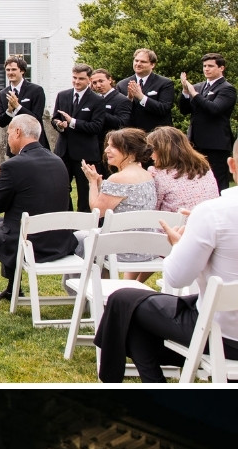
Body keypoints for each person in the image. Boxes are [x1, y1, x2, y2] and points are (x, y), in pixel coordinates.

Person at [94, 153, 238, 381]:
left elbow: (176, 278)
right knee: (132, 305)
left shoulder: (213, 213)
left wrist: (179, 245)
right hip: (219, 322)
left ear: (231, 164)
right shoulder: (211, 215)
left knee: (124, 302)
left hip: (222, 336)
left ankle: (145, 382)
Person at [0, 115, 76, 306]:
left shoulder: (13, 165)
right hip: (59, 241)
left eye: (8, 135)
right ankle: (13, 289)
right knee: (1, 223)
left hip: (30, 245)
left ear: (17, 132)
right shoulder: (57, 161)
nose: (8, 140)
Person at [79, 128, 158, 270]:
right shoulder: (146, 174)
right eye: (108, 145)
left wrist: (92, 182)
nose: (106, 150)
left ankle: (82, 288)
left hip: (121, 250)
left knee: (78, 239)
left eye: (113, 146)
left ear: (131, 151)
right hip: (147, 247)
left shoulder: (118, 179)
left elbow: (97, 211)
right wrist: (100, 184)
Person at [178, 53, 236, 194]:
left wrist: (195, 94)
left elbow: (214, 110)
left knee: (217, 181)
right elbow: (184, 110)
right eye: (204, 66)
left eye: (210, 66)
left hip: (215, 144)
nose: (206, 69)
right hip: (195, 142)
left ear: (221, 68)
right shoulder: (199, 86)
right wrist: (186, 92)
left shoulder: (227, 88)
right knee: (196, 179)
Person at [52, 64, 105, 212]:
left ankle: (84, 227)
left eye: (81, 79)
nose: (76, 81)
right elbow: (54, 118)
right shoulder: (62, 95)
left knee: (85, 192)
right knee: (61, 190)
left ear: (89, 80)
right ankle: (66, 222)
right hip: (63, 152)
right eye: (74, 78)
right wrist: (59, 125)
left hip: (85, 154)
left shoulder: (97, 100)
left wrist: (73, 122)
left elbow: (96, 127)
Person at [145, 126, 219, 213]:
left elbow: (152, 207)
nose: (150, 155)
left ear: (161, 151)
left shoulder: (159, 175)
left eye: (152, 150)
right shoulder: (204, 167)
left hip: (177, 224)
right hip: (209, 220)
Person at [117, 47, 174, 130]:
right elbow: (120, 113)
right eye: (136, 60)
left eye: (143, 61)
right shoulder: (122, 84)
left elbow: (164, 109)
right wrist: (129, 99)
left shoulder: (165, 83)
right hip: (131, 135)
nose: (138, 64)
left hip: (156, 134)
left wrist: (141, 97)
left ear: (152, 64)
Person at [0, 56, 46, 129]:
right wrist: (9, 111)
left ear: (22, 71)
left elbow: (36, 119)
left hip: (34, 138)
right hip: (14, 137)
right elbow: (1, 123)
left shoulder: (36, 90)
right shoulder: (3, 93)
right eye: (8, 70)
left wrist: (17, 106)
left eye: (14, 69)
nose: (10, 73)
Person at [90, 68, 132, 149]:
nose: (98, 85)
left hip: (111, 144)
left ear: (110, 80)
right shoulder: (94, 99)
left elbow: (122, 123)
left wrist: (100, 112)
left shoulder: (122, 100)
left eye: (101, 81)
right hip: (94, 145)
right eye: (94, 83)